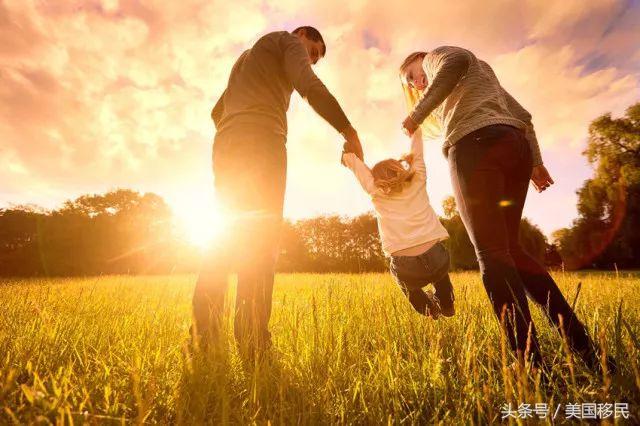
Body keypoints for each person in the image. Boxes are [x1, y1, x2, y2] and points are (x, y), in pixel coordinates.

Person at [398, 46, 615, 373]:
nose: (417, 83)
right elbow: (524, 117)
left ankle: (532, 368)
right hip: (513, 148)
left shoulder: (438, 56)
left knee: (490, 253)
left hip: (474, 147)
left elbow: (454, 61)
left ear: (422, 60)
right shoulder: (481, 76)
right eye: (412, 83)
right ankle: (588, 352)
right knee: (511, 250)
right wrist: (536, 163)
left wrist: (417, 114)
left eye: (413, 75)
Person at [193, 26, 363, 354]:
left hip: (227, 143)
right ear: (301, 36)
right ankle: (253, 344)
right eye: (312, 52)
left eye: (315, 59)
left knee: (224, 238)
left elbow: (217, 111)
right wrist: (348, 129)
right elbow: (307, 84)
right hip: (262, 142)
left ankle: (205, 339)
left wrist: (236, 128)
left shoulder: (247, 58)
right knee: (259, 241)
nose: (310, 61)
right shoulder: (286, 41)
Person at [342, 128, 455, 319]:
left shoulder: (376, 191)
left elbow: (357, 168)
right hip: (436, 256)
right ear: (401, 169)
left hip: (405, 265)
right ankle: (446, 303)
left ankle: (427, 309)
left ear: (376, 179)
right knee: (440, 274)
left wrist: (348, 154)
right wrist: (415, 130)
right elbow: (417, 152)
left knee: (408, 285)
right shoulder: (417, 178)